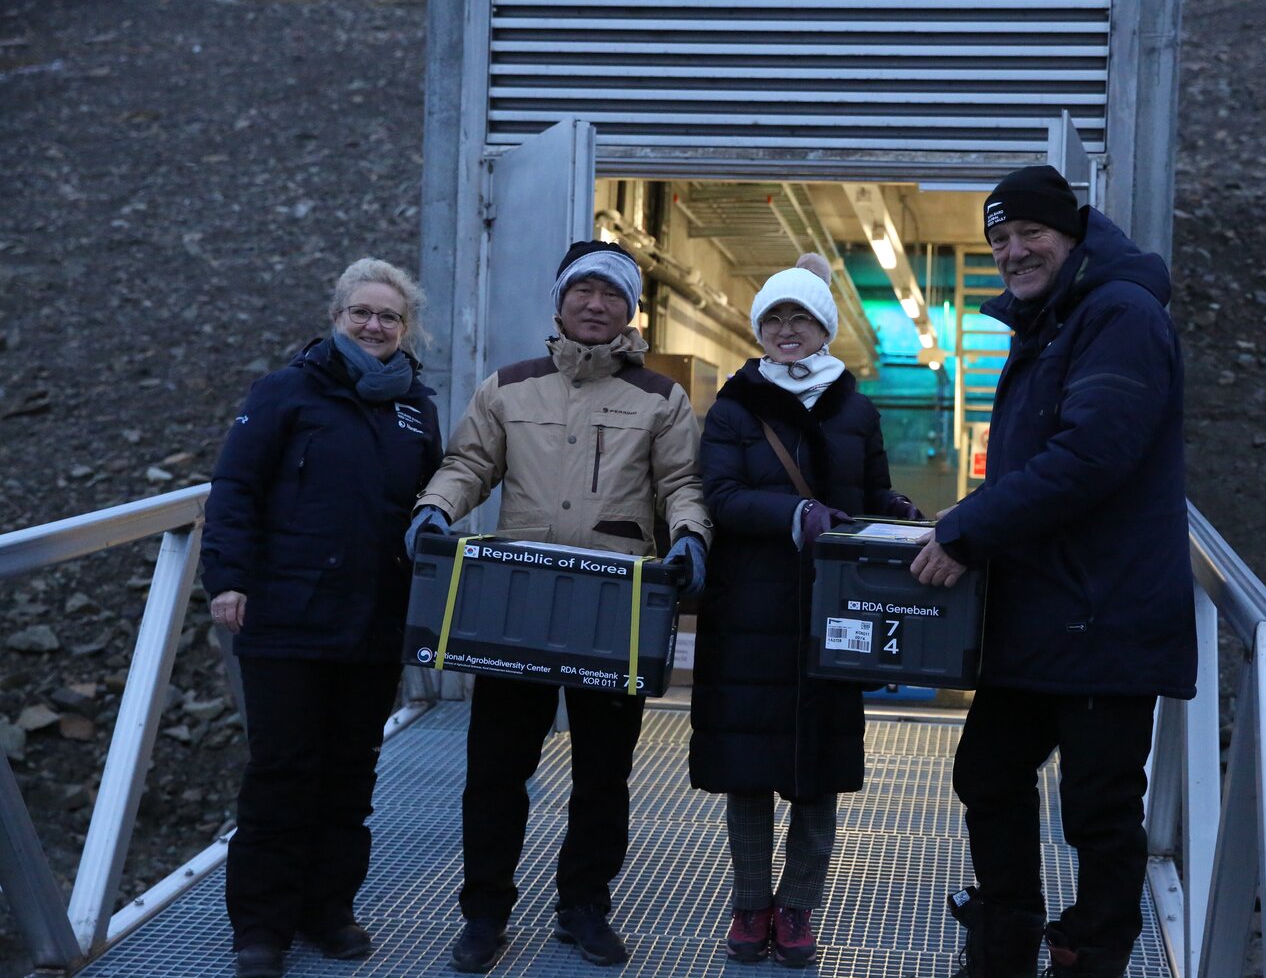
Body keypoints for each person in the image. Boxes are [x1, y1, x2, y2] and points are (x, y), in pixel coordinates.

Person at [910, 166, 1197, 978]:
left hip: (1106, 609)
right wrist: (969, 519)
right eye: (998, 239)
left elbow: (1092, 455)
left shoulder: (1119, 315)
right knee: (988, 772)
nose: (1012, 251)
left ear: (1071, 233)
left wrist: (967, 530)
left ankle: (1089, 952)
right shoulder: (1053, 322)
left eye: (1028, 233)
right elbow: (1041, 461)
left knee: (1100, 808)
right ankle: (1005, 939)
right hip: (1042, 606)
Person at [405, 239, 711, 971]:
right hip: (522, 602)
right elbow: (470, 462)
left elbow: (682, 484)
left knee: (604, 772)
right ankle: (483, 913)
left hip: (616, 606)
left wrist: (692, 536)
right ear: (560, 300)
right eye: (584, 291)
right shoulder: (508, 387)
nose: (596, 305)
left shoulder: (661, 399)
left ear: (632, 310)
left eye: (612, 294)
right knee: (496, 768)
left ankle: (584, 906)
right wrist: (435, 507)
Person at [201, 258, 443, 978]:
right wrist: (228, 579)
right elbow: (236, 487)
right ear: (337, 316)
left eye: (388, 317)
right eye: (361, 313)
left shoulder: (415, 407)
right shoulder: (285, 392)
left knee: (349, 775)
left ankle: (328, 909)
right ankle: (261, 928)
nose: (375, 325)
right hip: (286, 616)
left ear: (407, 328)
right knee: (281, 772)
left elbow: (428, 501)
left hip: (373, 620)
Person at [690, 253, 922, 968]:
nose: (787, 330)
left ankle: (797, 910)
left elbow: (869, 492)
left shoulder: (856, 408)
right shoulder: (735, 407)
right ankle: (750, 905)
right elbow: (719, 495)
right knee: (750, 770)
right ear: (760, 328)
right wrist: (794, 513)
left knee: (818, 770)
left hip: (834, 613)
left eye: (801, 318)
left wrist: (900, 513)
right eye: (775, 318)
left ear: (824, 326)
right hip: (751, 612)